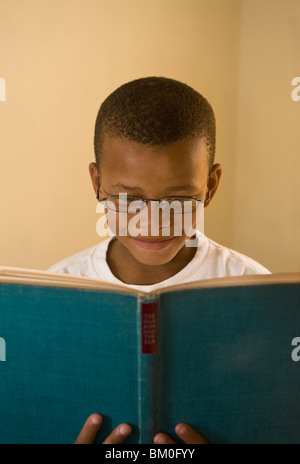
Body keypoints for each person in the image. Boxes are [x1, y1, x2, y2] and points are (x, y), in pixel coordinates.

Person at [48, 77, 270, 444]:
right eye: (129, 198)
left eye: (179, 198)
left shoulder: (254, 289)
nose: (152, 224)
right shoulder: (57, 290)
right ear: (97, 183)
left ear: (210, 187)